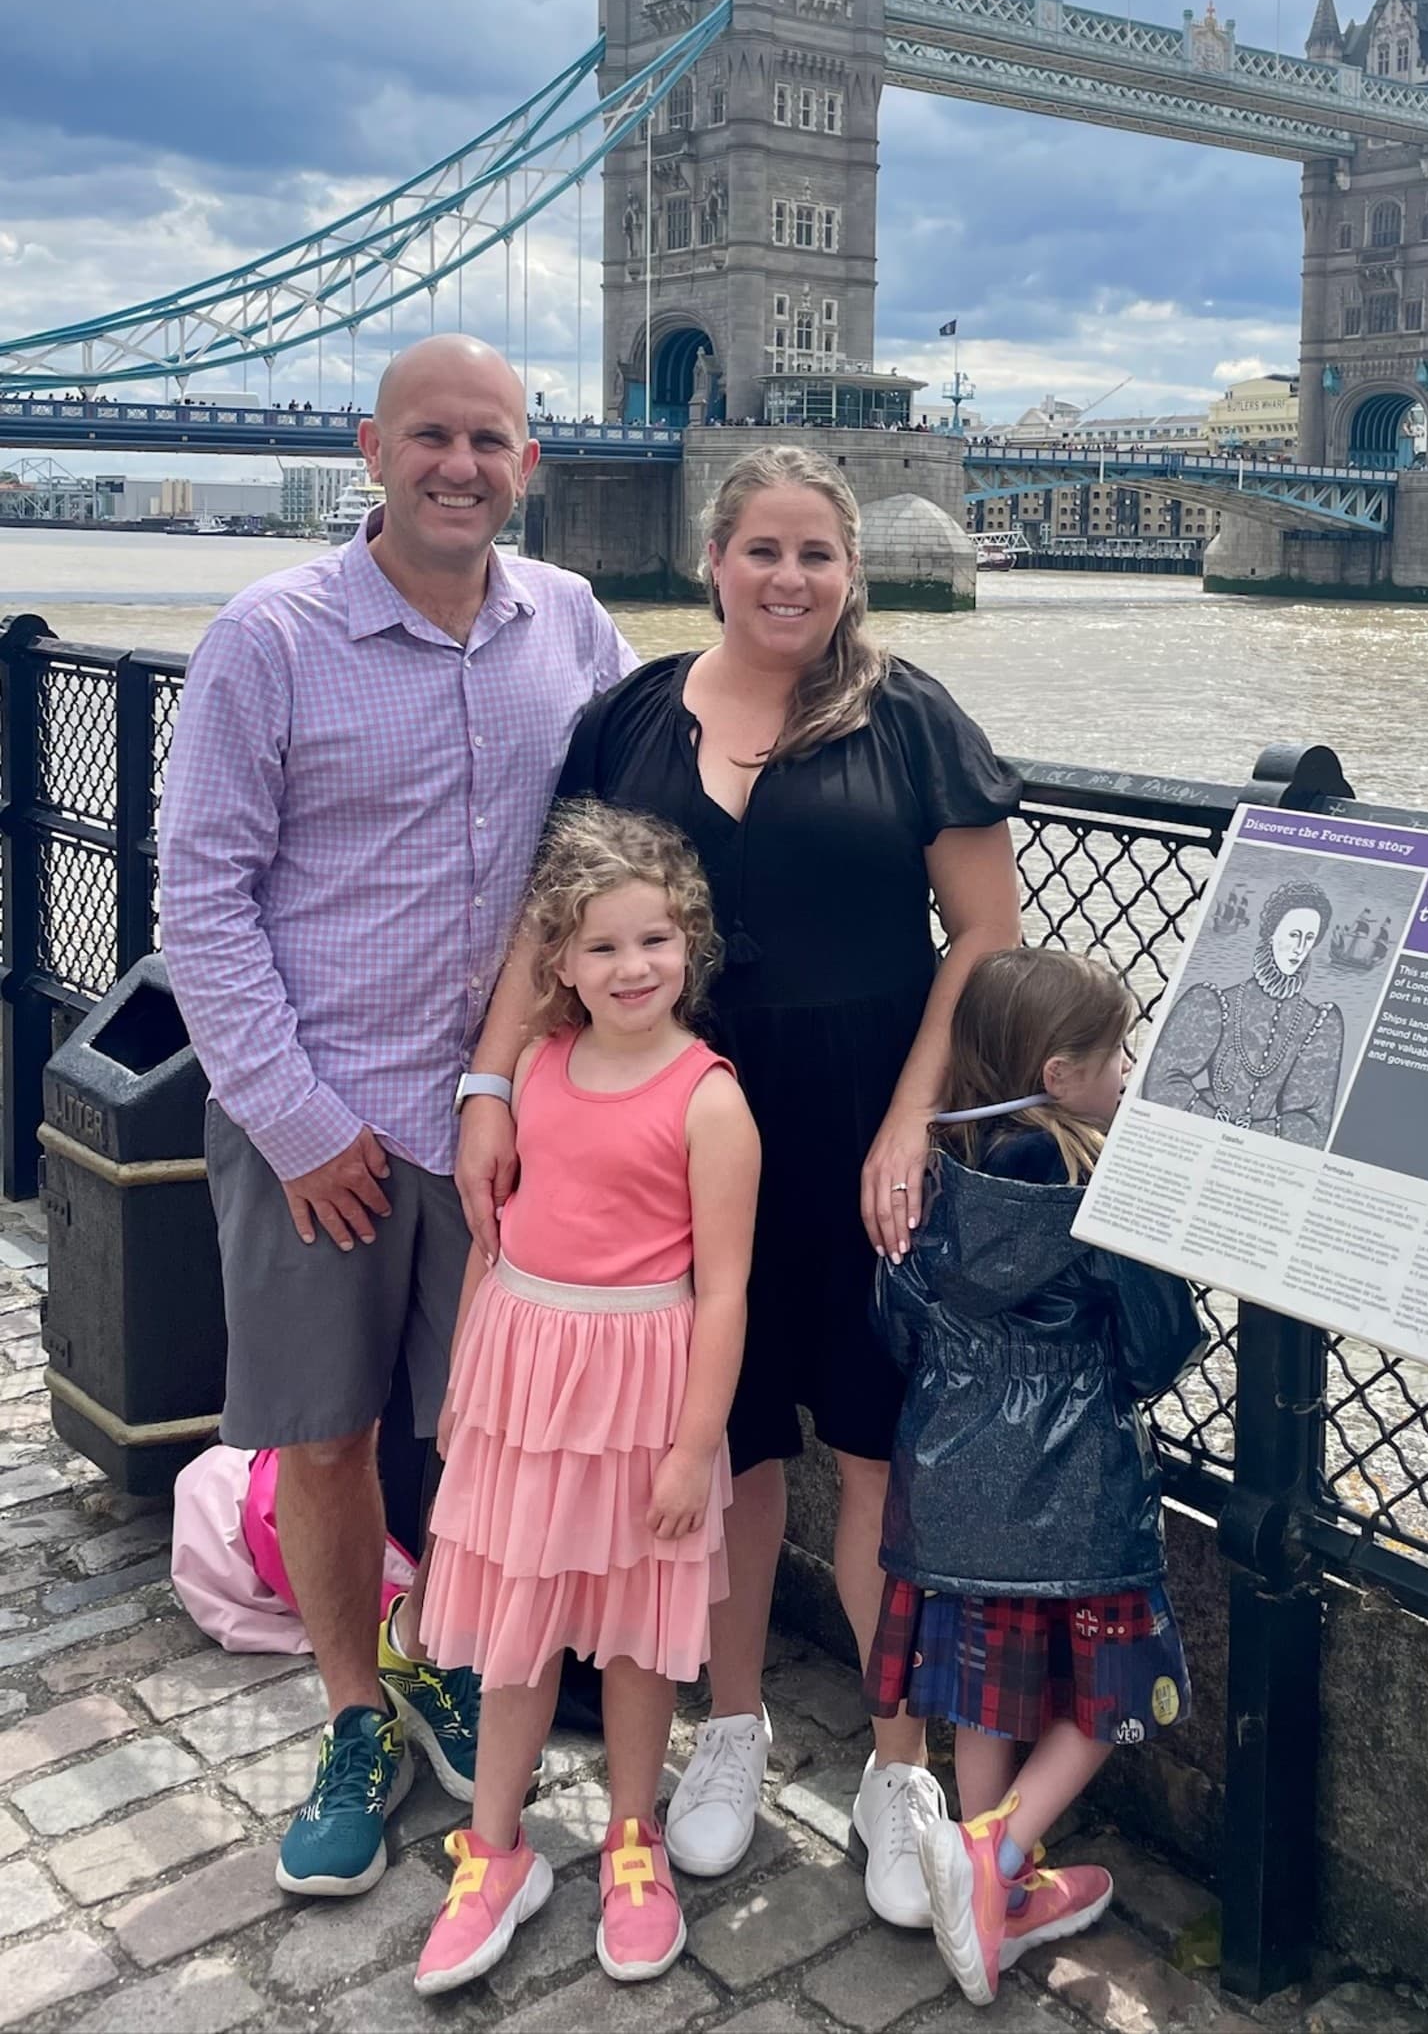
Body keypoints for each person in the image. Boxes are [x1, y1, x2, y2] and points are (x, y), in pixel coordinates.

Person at [455, 443, 1022, 1928]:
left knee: (878, 1451)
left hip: (857, 1135)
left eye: (817, 554)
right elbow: (549, 918)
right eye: (763, 549)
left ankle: (898, 1763)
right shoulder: (628, 719)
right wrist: (491, 1080)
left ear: (853, 570)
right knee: (723, 1454)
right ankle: (731, 1721)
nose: (790, 578)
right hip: (666, 1139)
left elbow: (984, 940)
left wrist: (913, 1121)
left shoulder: (909, 720)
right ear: (715, 558)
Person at [158, 335, 636, 1900]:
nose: (460, 465)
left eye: (490, 440)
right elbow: (202, 899)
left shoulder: (571, 621)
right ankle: (356, 1711)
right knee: (331, 1428)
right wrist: (293, 1120)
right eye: (431, 435)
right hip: (324, 1118)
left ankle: (447, 1663)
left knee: (489, 1430)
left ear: (530, 463)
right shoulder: (268, 636)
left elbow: (639, 832)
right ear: (373, 449)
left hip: (516, 1117)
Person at [413, 805, 759, 1994]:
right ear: (557, 961)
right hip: (521, 1376)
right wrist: (464, 1382)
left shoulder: (710, 1100)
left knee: (632, 1634)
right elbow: (490, 1237)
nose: (632, 969)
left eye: (655, 941)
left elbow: (722, 1296)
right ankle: (495, 1849)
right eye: (603, 948)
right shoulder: (532, 1075)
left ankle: (630, 1838)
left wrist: (692, 1446)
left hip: (641, 1394)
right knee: (511, 1626)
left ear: (690, 946)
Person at [864, 947, 1201, 2006]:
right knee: (1118, 1691)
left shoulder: (927, 1176)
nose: (1127, 1071)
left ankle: (984, 1868)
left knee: (981, 1688)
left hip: (951, 1492)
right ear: (1057, 1074)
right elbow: (1157, 1348)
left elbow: (893, 1324)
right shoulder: (1107, 1191)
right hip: (1076, 1491)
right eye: (1116, 1056)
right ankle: (997, 1856)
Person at [1142, 881, 1345, 1147]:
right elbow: (1161, 1086)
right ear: (1272, 933)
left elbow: (1311, 1125)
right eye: (1294, 935)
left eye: (1309, 939)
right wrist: (1212, 1120)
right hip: (1191, 1140)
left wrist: (1249, 1137)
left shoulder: (1318, 1024)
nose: (1300, 948)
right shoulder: (1213, 1003)